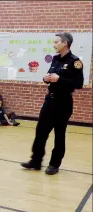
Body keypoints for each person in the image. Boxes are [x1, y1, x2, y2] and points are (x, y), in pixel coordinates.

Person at [22, 32, 84, 175]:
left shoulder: (76, 62)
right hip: (50, 100)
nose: (54, 44)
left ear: (65, 43)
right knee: (40, 132)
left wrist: (59, 80)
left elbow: (78, 84)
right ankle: (36, 161)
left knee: (59, 134)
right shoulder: (55, 59)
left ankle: (54, 164)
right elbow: (52, 75)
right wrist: (47, 78)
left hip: (64, 103)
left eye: (56, 42)